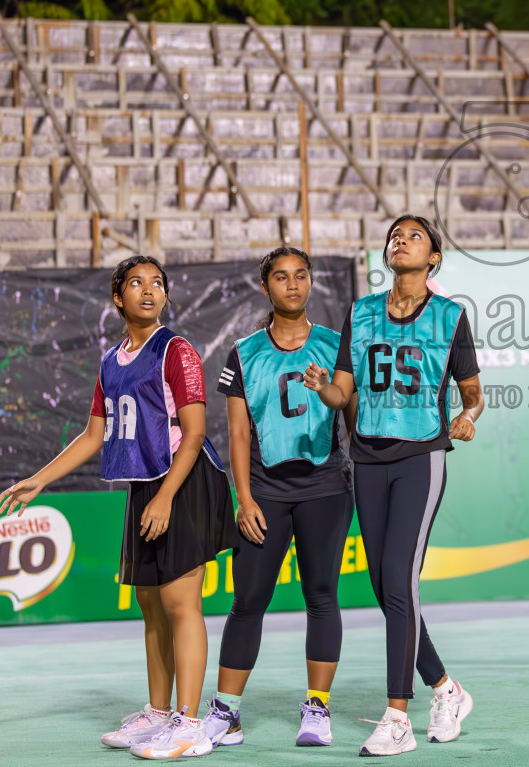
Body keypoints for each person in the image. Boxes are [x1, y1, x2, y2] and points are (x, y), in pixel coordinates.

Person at [0, 255, 241, 758]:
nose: (149, 291)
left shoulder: (176, 350)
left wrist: (169, 497)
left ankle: (191, 723)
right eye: (136, 283)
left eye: (157, 283)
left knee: (180, 605)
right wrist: (38, 480)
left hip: (186, 481)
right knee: (150, 605)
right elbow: (94, 435)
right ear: (118, 298)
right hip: (144, 484)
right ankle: (158, 714)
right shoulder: (112, 361)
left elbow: (195, 434)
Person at [303, 214, 483, 757]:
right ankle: (446, 689)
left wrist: (469, 414)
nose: (399, 240)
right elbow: (342, 393)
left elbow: (471, 390)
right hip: (368, 458)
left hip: (420, 456)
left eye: (414, 236)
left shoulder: (450, 316)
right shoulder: (360, 313)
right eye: (394, 235)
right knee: (385, 589)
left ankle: (397, 716)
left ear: (433, 259)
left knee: (400, 581)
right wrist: (323, 390)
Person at [200, 246, 353, 749]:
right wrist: (244, 498)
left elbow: (351, 418)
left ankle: (317, 708)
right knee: (248, 600)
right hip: (265, 490)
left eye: (301, 276)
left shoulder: (336, 345)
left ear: (311, 284)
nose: (292, 284)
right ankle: (227, 712)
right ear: (266, 288)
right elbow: (238, 434)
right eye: (281, 277)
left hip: (325, 487)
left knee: (322, 596)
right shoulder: (243, 352)